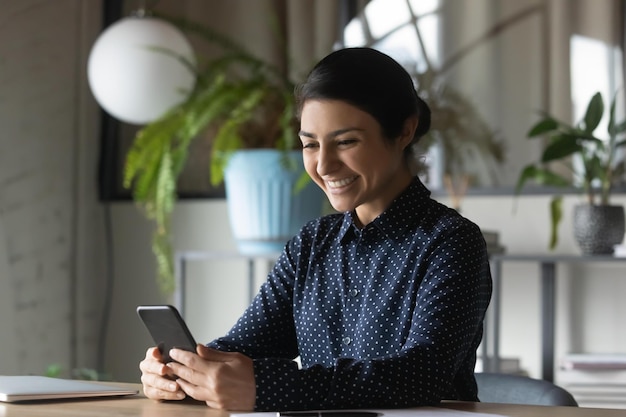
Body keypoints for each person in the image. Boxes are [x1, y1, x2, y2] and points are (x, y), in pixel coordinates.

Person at [139, 47, 492, 411]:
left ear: (404, 130)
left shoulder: (451, 242)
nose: (323, 164)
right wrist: (184, 372)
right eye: (310, 144)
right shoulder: (311, 244)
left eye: (346, 142)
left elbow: (421, 375)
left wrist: (266, 389)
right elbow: (243, 346)